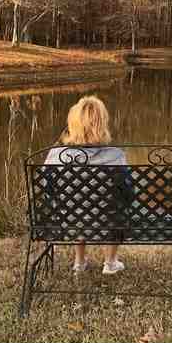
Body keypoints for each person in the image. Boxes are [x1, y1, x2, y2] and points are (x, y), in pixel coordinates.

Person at [44, 95, 129, 275]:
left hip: (67, 221)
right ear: (102, 123)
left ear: (73, 123)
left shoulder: (55, 155)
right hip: (107, 222)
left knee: (74, 206)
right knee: (116, 209)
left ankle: (80, 262)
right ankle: (110, 263)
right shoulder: (116, 156)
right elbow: (128, 194)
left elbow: (48, 190)